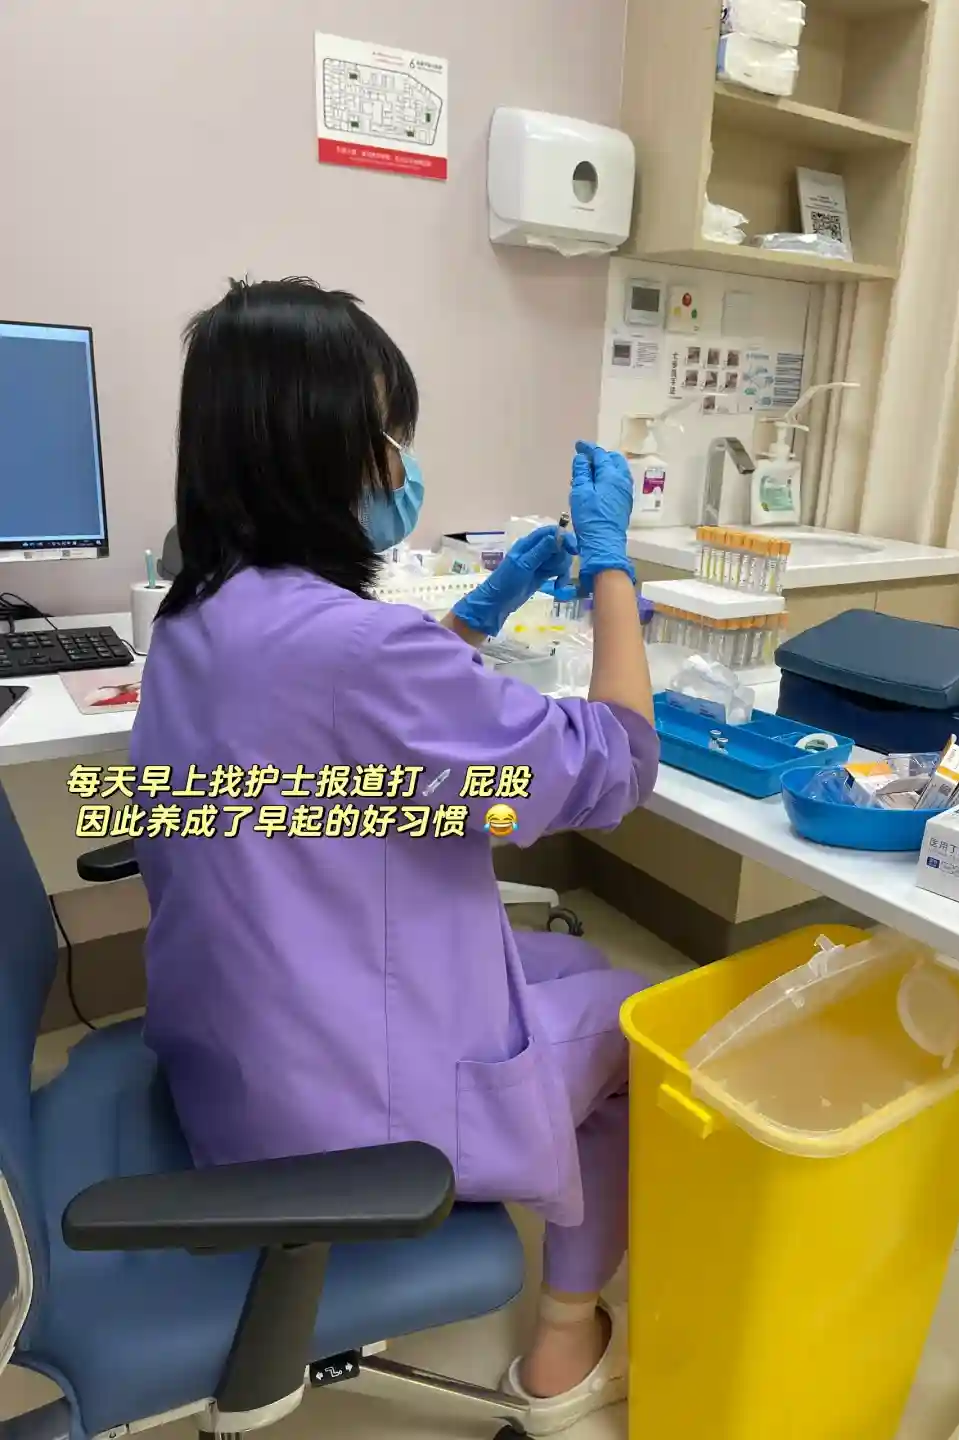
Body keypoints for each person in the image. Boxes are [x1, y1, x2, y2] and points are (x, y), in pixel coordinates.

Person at [131, 277, 658, 1434]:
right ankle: (564, 1351)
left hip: (239, 1045)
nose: (396, 463)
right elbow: (615, 766)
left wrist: (485, 607)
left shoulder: (196, 617)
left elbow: (347, 722)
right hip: (342, 1111)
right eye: (382, 434)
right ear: (312, 449)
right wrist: (614, 565)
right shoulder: (357, 652)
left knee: (563, 964)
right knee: (642, 1022)